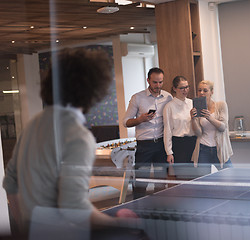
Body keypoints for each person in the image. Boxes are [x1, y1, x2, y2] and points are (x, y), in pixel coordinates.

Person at [2, 48, 137, 235]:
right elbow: (74, 209)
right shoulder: (78, 136)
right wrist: (121, 226)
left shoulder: (33, 125)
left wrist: (27, 229)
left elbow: (10, 185)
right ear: (93, 89)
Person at [123, 67, 172, 199]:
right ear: (148, 81)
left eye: (161, 82)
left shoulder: (168, 97)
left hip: (161, 145)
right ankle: (137, 209)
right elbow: (125, 122)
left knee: (161, 182)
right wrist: (140, 119)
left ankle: (159, 210)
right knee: (140, 181)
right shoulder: (137, 98)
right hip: (144, 145)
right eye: (155, 82)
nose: (158, 86)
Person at [190, 80, 233, 171]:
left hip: (219, 148)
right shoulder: (197, 108)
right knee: (203, 181)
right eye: (199, 90)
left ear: (211, 92)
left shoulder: (221, 105)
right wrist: (193, 119)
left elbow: (223, 127)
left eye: (205, 90)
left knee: (229, 177)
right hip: (203, 148)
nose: (201, 93)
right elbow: (198, 133)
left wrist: (209, 117)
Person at [163, 76, 197, 178]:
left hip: (194, 142)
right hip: (179, 144)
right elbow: (167, 130)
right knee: (182, 177)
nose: (185, 90)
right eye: (182, 88)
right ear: (174, 88)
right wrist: (169, 152)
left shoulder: (192, 103)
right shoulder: (169, 107)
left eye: (187, 87)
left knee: (196, 176)